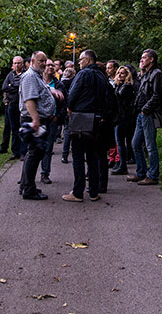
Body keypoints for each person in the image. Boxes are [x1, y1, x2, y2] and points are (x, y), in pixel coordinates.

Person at [63, 49, 116, 202]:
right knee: (93, 157)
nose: (79, 63)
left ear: (87, 60)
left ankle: (77, 192)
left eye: (80, 60)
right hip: (96, 118)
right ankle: (94, 191)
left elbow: (73, 93)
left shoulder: (83, 74)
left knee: (78, 156)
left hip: (81, 117)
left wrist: (70, 106)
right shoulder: (101, 76)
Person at [19, 51, 56, 200]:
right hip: (33, 119)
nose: (44, 63)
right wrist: (36, 121)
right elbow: (29, 100)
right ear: (33, 60)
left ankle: (26, 185)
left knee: (34, 153)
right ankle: (28, 189)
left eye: (45, 61)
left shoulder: (36, 76)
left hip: (37, 119)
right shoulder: (30, 76)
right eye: (41, 61)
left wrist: (52, 91)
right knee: (35, 154)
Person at [128, 49, 162, 185]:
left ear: (152, 59)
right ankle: (141, 172)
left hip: (148, 114)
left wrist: (145, 109)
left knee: (150, 145)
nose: (141, 60)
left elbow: (157, 95)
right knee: (136, 144)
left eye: (144, 58)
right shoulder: (145, 74)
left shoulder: (157, 74)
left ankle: (153, 175)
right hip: (141, 114)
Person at [39, 59, 66, 184]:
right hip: (39, 119)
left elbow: (64, 103)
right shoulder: (37, 82)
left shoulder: (59, 85)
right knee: (34, 148)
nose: (50, 67)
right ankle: (27, 176)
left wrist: (58, 117)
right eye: (48, 65)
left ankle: (45, 173)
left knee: (48, 147)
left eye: (52, 65)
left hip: (52, 120)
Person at [0, 55, 24, 159]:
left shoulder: (25, 75)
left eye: (19, 63)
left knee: (22, 128)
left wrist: (12, 86)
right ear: (13, 64)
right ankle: (15, 151)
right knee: (14, 129)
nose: (17, 65)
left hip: (22, 105)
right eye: (15, 63)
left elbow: (23, 87)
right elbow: (4, 87)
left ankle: (22, 151)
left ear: (22, 64)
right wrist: (15, 87)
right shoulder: (10, 75)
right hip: (12, 105)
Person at [111, 64, 137, 175]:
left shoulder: (126, 87)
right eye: (119, 73)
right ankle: (122, 163)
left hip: (123, 118)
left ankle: (122, 165)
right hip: (123, 117)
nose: (120, 75)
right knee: (122, 141)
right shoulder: (120, 86)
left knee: (120, 141)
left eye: (123, 73)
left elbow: (118, 98)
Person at [59, 66, 76, 164]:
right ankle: (72, 153)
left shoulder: (60, 83)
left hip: (64, 110)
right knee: (71, 133)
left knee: (66, 133)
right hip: (70, 110)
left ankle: (64, 155)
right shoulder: (72, 83)